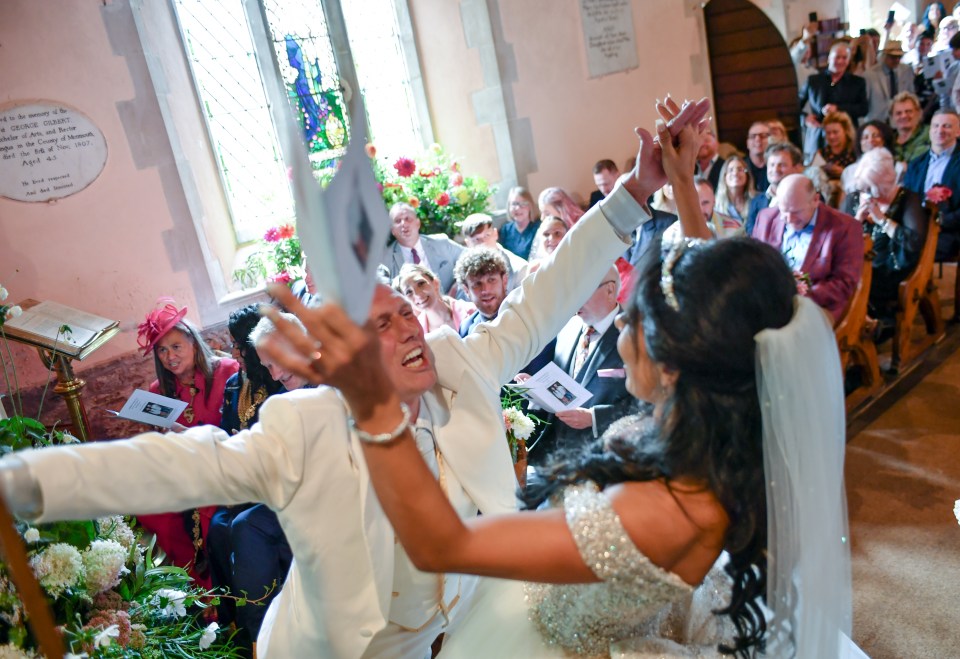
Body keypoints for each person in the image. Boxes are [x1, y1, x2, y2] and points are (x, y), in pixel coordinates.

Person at [0, 97, 715, 658]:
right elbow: (177, 463)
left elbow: (548, 293)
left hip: (474, 635)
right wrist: (25, 482)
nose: (408, 327)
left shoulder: (461, 363)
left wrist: (635, 191)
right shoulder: (300, 428)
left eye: (405, 311)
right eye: (380, 326)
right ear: (343, 357)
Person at [262, 110, 853, 658]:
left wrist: (371, 406)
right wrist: (667, 185)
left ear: (674, 364)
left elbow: (443, 546)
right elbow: (722, 312)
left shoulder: (658, 512)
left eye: (634, 319)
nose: (620, 321)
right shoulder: (707, 421)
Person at [136, 297, 239, 587]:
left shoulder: (227, 371)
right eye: (162, 350)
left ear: (194, 342)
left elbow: (239, 428)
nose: (170, 357)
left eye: (176, 346)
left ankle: (215, 588)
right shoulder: (158, 389)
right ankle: (191, 584)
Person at [209, 304, 285, 646]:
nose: (235, 351)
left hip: (270, 481)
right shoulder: (234, 384)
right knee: (216, 527)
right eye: (233, 344)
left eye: (241, 344)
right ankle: (234, 623)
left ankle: (261, 625)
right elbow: (227, 432)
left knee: (238, 526)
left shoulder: (278, 381)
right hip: (244, 477)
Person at [528, 266, 636, 466]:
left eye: (581, 291)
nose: (573, 300)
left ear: (610, 290)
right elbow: (562, 387)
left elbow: (647, 403)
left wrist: (594, 418)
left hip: (606, 457)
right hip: (556, 456)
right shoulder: (567, 328)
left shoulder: (635, 335)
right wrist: (536, 389)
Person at [752, 174, 864, 323]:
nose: (789, 219)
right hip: (768, 300)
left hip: (819, 304)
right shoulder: (767, 218)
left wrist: (798, 296)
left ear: (815, 200)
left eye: (796, 212)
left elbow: (844, 283)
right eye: (784, 210)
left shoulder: (845, 227)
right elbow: (752, 265)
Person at [850, 148, 929, 334]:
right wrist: (856, 220)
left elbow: (913, 243)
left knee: (857, 279)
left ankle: (865, 327)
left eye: (870, 188)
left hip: (891, 265)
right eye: (863, 188)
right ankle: (857, 326)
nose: (865, 194)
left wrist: (882, 220)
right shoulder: (855, 198)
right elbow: (839, 236)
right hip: (858, 261)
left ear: (883, 184)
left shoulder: (908, 199)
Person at [903, 109, 960, 269]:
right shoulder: (915, 164)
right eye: (935, 126)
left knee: (913, 252)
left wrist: (940, 222)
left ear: (958, 131)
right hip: (915, 229)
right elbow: (906, 200)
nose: (940, 131)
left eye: (947, 126)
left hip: (949, 231)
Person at [799, 41, 869, 160]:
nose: (840, 61)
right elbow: (795, 106)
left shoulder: (857, 82)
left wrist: (838, 109)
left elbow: (863, 108)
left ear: (848, 61)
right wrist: (805, 118)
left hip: (847, 136)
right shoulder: (813, 80)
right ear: (829, 58)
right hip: (818, 136)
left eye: (844, 58)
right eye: (837, 57)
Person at [384, 201, 465, 295]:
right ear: (392, 230)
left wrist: (457, 284)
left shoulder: (441, 243)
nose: (404, 224)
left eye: (408, 219)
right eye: (398, 221)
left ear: (418, 223)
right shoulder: (385, 260)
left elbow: (468, 257)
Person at [394, 263, 476, 334]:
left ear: (435, 283)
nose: (417, 294)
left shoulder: (472, 311)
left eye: (421, 283)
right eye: (408, 292)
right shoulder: (417, 334)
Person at [747, 142, 806, 235]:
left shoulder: (808, 197)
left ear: (796, 168)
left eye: (782, 165)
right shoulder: (756, 201)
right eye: (772, 165)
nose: (775, 170)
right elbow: (751, 233)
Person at [460, 212, 529, 291]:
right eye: (477, 240)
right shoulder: (465, 270)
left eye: (487, 235)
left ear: (495, 234)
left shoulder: (519, 269)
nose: (483, 243)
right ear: (468, 243)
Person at [841, 120, 897, 205]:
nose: (871, 140)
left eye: (876, 136)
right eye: (865, 137)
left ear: (885, 140)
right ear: (859, 143)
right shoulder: (848, 171)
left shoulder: (898, 167)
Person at [862, 41, 916, 123]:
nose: (897, 60)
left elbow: (911, 95)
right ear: (884, 56)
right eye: (893, 57)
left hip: (902, 119)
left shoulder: (906, 71)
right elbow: (865, 101)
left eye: (899, 57)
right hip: (878, 120)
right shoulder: (870, 75)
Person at [811, 111, 857, 207]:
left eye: (835, 132)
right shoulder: (821, 153)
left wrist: (844, 172)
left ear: (845, 131)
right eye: (828, 133)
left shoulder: (855, 151)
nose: (831, 136)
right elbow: (811, 176)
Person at [499, 186, 541, 259]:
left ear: (530, 206)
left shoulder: (539, 228)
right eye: (514, 204)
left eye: (523, 204)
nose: (518, 208)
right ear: (509, 206)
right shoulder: (505, 230)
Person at [890, 92, 931, 165]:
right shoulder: (888, 140)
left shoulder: (931, 133)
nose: (904, 116)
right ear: (892, 117)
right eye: (898, 113)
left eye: (908, 111)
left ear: (918, 113)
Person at [714, 155, 755, 222]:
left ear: (747, 176)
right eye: (730, 170)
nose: (735, 173)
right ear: (724, 176)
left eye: (740, 170)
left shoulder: (757, 201)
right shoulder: (715, 203)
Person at [744, 121, 770, 191]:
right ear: (747, 143)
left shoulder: (778, 166)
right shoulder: (741, 167)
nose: (757, 139)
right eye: (752, 136)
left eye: (763, 136)